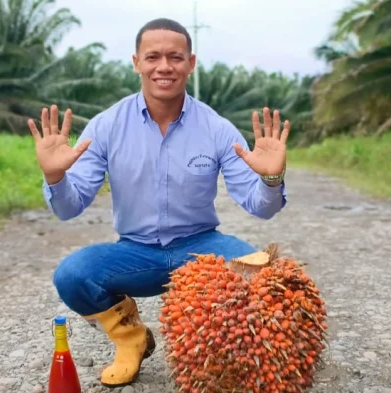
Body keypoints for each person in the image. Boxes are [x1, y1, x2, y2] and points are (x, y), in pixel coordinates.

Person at [27, 17, 290, 388]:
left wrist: (271, 177)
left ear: (191, 63)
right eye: (153, 57)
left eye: (175, 57)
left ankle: (218, 358)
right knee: (73, 275)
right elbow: (69, 208)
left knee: (257, 275)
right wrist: (56, 176)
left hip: (202, 249)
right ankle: (132, 338)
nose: (164, 67)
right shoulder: (107, 126)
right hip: (136, 254)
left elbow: (261, 207)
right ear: (136, 62)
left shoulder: (216, 128)